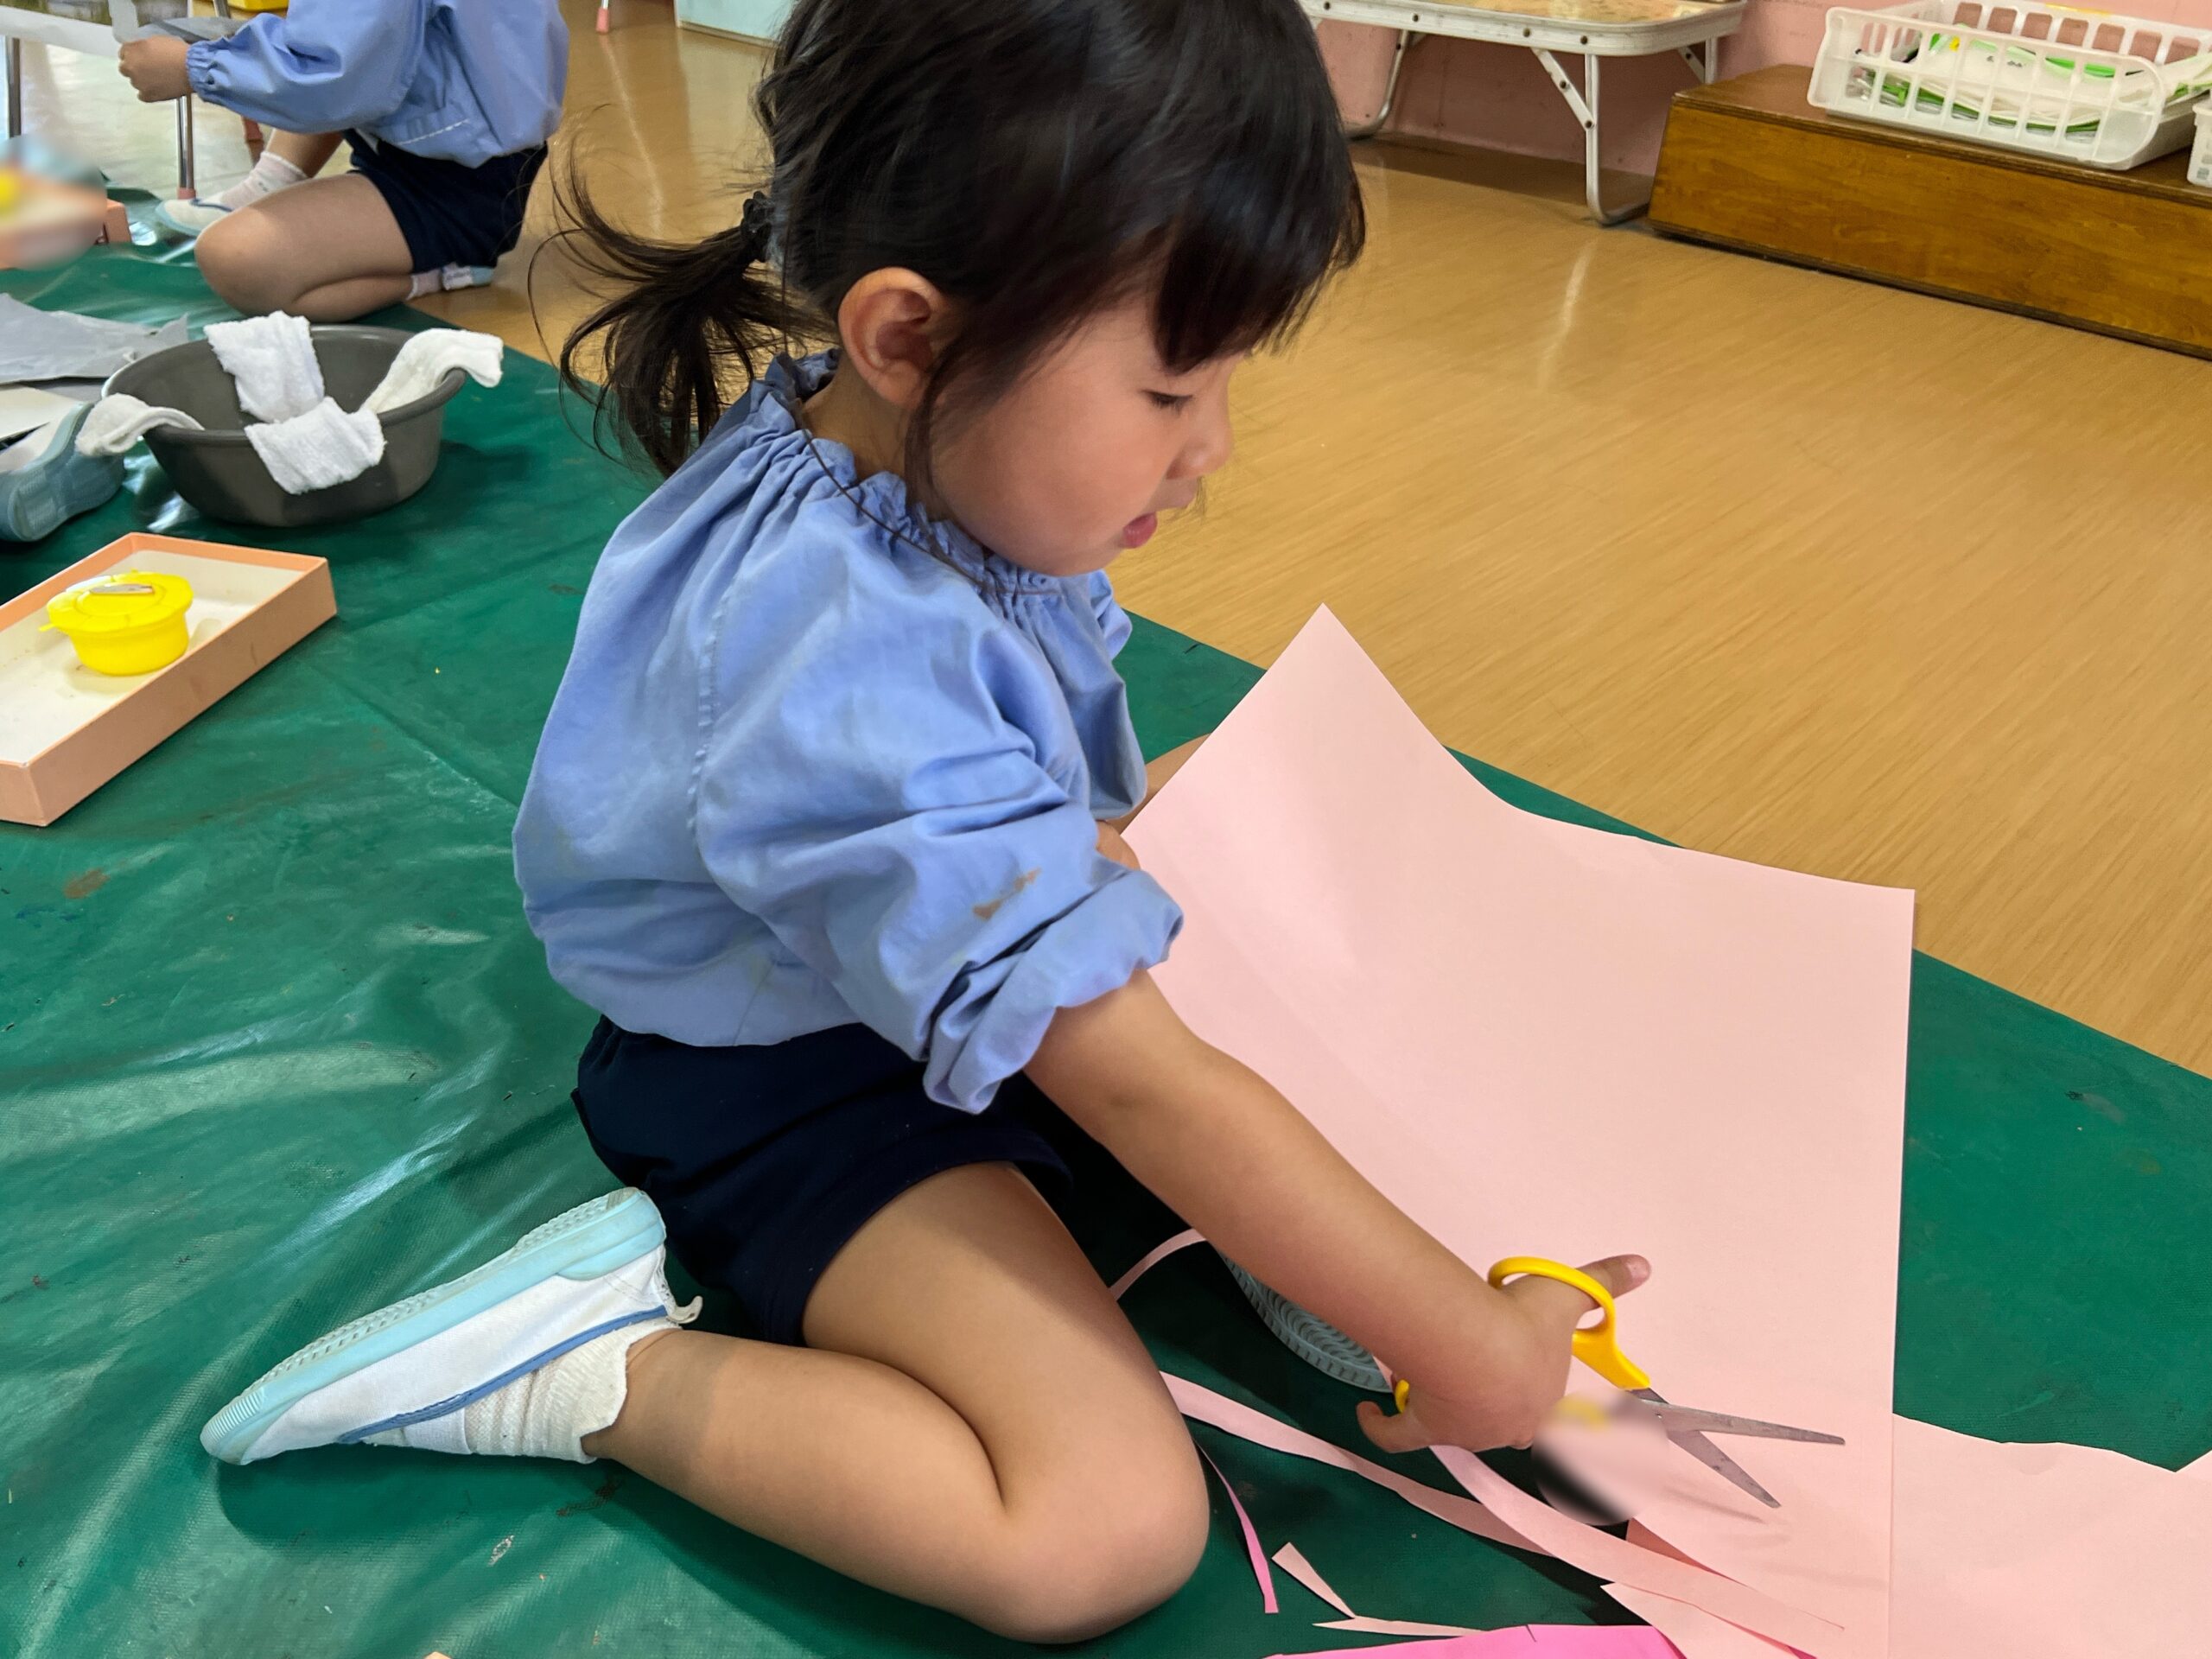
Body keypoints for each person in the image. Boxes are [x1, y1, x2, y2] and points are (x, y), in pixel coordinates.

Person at [195, 0, 1649, 1641]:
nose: (1213, 450)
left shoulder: (909, 443)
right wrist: (1470, 1345)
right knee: (1097, 1526)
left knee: (1256, 832)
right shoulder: (842, 671)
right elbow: (1141, 1080)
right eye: (1170, 387)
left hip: (902, 962)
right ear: (907, 334)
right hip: (784, 1083)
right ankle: (586, 1371)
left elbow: (1048, 780)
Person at [116, 0, 565, 320]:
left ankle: (442, 272)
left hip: (460, 185)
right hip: (455, 134)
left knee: (234, 258)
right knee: (320, 52)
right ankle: (269, 181)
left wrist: (194, 69)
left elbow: (333, 80)